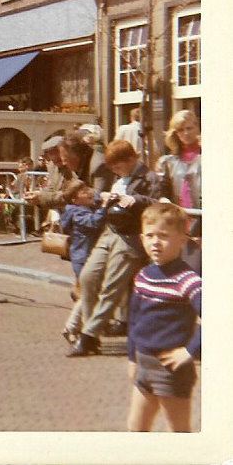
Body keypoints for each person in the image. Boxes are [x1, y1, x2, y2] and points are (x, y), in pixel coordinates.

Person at [67, 140, 160, 357]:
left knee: (112, 286)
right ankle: (92, 333)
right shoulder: (120, 177)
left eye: (118, 167)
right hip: (110, 232)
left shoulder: (149, 177)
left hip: (130, 237)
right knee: (88, 277)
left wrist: (134, 199)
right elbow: (106, 198)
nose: (115, 172)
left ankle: (88, 337)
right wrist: (103, 198)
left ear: (131, 160)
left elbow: (158, 204)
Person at [126, 202, 201, 432]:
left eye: (164, 236)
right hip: (145, 363)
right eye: (150, 235)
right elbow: (134, 319)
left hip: (171, 370)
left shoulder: (187, 280)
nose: (155, 242)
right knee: (136, 428)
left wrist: (189, 351)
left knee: (177, 432)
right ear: (142, 238)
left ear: (182, 240)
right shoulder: (143, 276)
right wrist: (132, 357)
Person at [59, 179, 108, 342]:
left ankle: (74, 328)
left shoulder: (82, 207)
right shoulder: (78, 213)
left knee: (87, 293)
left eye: (87, 188)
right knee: (87, 294)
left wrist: (103, 197)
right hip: (83, 257)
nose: (88, 192)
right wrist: (104, 207)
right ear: (74, 199)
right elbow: (93, 223)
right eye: (83, 191)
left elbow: (96, 198)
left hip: (83, 256)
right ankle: (71, 327)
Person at [155, 110, 201, 274]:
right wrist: (164, 200)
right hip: (179, 225)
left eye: (189, 128)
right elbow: (162, 190)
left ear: (197, 128)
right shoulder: (169, 161)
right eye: (181, 130)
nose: (186, 133)